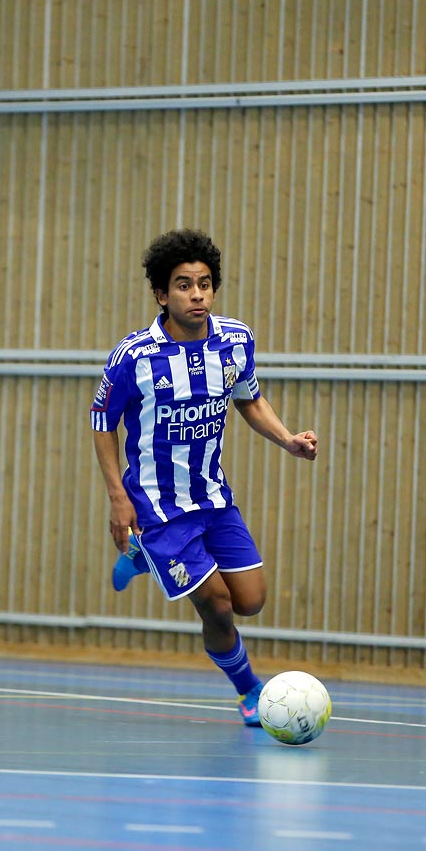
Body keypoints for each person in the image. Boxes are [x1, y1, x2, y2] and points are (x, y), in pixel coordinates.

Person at [91, 229, 318, 724]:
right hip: (156, 504)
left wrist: (288, 441)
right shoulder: (134, 356)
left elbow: (250, 398)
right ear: (161, 294)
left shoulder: (236, 341)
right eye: (183, 285)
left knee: (250, 602)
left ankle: (139, 557)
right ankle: (249, 690)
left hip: (213, 498)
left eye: (205, 284)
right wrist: (116, 498)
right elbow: (102, 422)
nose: (197, 294)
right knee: (217, 606)